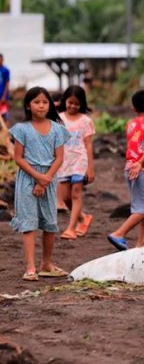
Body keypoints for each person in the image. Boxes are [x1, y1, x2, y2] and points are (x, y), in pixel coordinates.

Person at [9, 87, 70, 281]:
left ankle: (46, 264)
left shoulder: (58, 129)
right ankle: (30, 267)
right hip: (28, 178)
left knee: (49, 224)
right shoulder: (22, 129)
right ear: (28, 105)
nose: (41, 105)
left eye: (45, 102)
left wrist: (45, 180)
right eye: (37, 102)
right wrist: (38, 177)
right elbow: (18, 158)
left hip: (49, 179)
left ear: (50, 105)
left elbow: (59, 158)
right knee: (29, 224)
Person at [107, 89, 144, 251]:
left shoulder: (130, 124)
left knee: (141, 205)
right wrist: (141, 163)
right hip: (140, 168)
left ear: (133, 108)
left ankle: (142, 241)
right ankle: (119, 233)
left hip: (130, 167)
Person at [56, 86, 95, 240]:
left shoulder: (85, 121)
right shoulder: (59, 119)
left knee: (76, 193)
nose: (72, 106)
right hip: (64, 162)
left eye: (76, 104)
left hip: (80, 160)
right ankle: (83, 218)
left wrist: (90, 169)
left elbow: (88, 145)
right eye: (70, 102)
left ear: (82, 104)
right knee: (66, 198)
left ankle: (71, 228)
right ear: (65, 101)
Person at [0, 53, 11, 124]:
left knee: (4, 112)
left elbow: (7, 84)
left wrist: (4, 96)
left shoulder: (5, 70)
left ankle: (6, 129)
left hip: (3, 95)